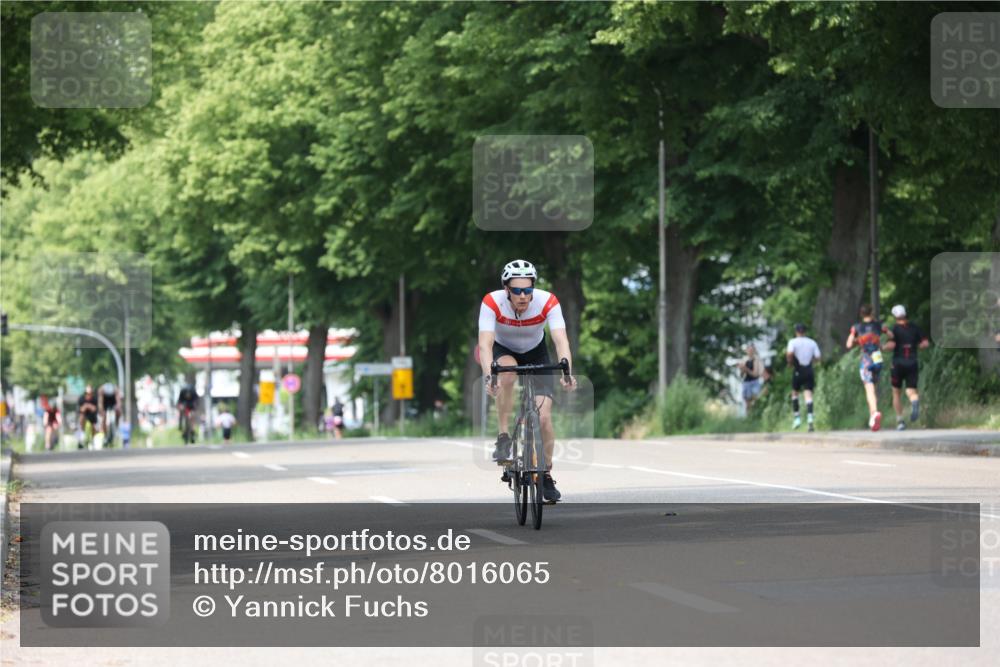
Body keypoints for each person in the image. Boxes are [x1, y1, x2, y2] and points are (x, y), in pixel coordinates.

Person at [478, 259, 577, 504]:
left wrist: (566, 371)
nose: (523, 296)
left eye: (528, 290)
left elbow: (561, 340)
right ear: (506, 289)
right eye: (517, 290)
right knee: (508, 372)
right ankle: (503, 437)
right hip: (504, 349)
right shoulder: (492, 302)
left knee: (544, 418)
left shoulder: (548, 301)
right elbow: (485, 344)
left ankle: (545, 475)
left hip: (536, 351)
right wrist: (491, 375)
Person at [845, 304, 891, 432]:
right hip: (877, 356)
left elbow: (848, 344)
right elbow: (891, 335)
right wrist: (881, 343)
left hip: (866, 358)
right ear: (872, 312)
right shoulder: (879, 325)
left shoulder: (856, 327)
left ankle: (874, 413)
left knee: (869, 389)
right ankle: (873, 418)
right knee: (874, 388)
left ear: (861, 314)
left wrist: (857, 341)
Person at [885, 304, 930, 430]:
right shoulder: (915, 328)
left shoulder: (893, 329)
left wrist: (882, 348)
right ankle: (914, 402)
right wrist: (917, 347)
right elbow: (925, 343)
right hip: (912, 362)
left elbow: (891, 345)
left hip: (898, 363)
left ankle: (900, 421)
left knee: (896, 392)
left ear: (895, 316)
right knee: (911, 390)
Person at [787, 323, 822, 431]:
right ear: (805, 331)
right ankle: (810, 419)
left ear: (796, 331)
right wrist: (812, 362)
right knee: (808, 395)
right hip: (808, 369)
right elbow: (818, 357)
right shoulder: (812, 342)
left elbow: (790, 353)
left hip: (798, 369)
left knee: (795, 393)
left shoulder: (793, 342)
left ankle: (797, 418)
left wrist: (790, 363)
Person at [737, 344, 763, 414]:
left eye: (752, 350)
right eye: (749, 350)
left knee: (754, 400)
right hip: (746, 383)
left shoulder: (757, 360)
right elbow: (741, 375)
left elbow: (755, 374)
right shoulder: (744, 360)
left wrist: (746, 369)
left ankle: (754, 415)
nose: (750, 351)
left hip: (754, 382)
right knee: (747, 402)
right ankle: (748, 417)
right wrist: (742, 369)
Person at [98, 381, 121, 447]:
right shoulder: (101, 390)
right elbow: (100, 402)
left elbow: (118, 402)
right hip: (105, 402)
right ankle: (105, 434)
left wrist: (118, 408)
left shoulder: (115, 390)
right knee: (104, 416)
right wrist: (101, 410)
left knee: (118, 412)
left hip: (112, 402)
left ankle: (116, 426)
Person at [77, 385, 99, 449]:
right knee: (81, 417)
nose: (88, 395)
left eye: (90, 393)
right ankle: (82, 434)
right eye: (87, 393)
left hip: (92, 416)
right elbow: (81, 409)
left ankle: (93, 439)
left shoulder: (94, 399)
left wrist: (88, 406)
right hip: (84, 415)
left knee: (94, 425)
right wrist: (87, 406)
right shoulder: (81, 398)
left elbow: (95, 409)